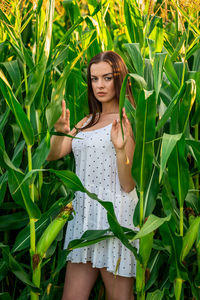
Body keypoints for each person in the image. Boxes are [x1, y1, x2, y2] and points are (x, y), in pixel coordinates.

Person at [47, 51, 139, 300]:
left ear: (119, 79)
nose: (99, 85)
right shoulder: (87, 121)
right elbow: (54, 155)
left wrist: (120, 149)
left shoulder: (126, 121)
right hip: (83, 218)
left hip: (115, 218)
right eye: (94, 79)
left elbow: (128, 184)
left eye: (107, 78)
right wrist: (60, 131)